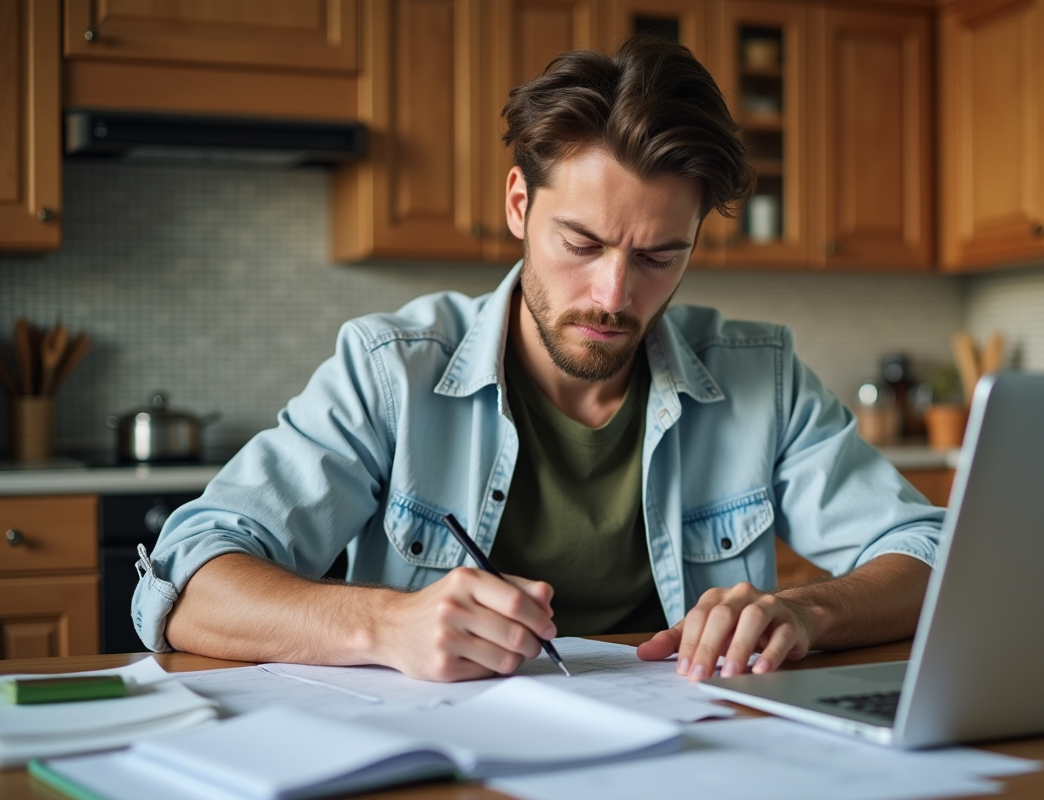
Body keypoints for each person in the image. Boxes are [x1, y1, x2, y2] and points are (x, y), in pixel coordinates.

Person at [133, 36, 943, 684]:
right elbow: (184, 582)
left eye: (661, 255)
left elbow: (933, 554)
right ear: (520, 204)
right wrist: (384, 624)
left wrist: (808, 612)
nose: (615, 294)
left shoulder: (758, 376)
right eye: (581, 243)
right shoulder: (391, 370)